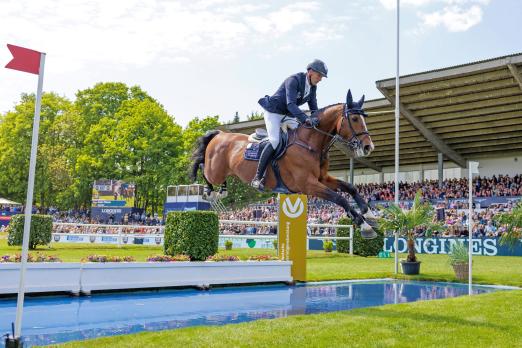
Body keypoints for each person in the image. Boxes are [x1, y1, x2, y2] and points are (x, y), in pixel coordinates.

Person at [251, 59, 328, 189]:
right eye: (319, 75)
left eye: (322, 76)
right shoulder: (294, 80)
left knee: (302, 136)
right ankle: (257, 177)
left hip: (287, 115)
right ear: (310, 72)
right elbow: (291, 104)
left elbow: (314, 108)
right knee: (275, 141)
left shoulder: (313, 88)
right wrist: (306, 119)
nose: (320, 79)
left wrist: (319, 120)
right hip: (274, 112)